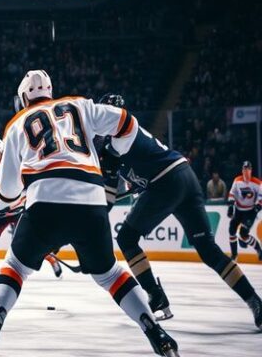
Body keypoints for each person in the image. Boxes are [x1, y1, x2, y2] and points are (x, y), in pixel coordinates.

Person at [0, 71, 178, 357]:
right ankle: (156, 332)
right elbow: (127, 122)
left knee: (15, 266)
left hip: (45, 203)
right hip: (91, 200)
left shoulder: (16, 123)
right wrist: (113, 156)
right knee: (110, 274)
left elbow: (8, 193)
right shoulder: (79, 104)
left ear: (24, 97)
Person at [97, 94, 261, 329]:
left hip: (167, 183)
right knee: (209, 250)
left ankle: (155, 295)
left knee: (126, 238)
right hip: (185, 176)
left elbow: (109, 197)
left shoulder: (112, 145)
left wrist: (94, 217)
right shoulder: (131, 132)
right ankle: (254, 301)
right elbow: (138, 174)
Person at [0, 140, 62, 284]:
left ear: (4, 155)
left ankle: (52, 260)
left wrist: (18, 205)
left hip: (19, 209)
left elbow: (28, 191)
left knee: (29, 242)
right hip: (2, 209)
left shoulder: (17, 168)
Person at [228, 161, 262, 261]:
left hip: (250, 212)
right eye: (244, 169)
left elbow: (261, 198)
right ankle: (234, 255)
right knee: (231, 230)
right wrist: (231, 206)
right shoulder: (237, 181)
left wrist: (257, 207)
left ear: (251, 170)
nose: (246, 171)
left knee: (243, 234)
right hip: (238, 210)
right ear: (242, 170)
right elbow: (232, 194)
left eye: (248, 169)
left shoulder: (258, 183)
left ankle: (259, 249)